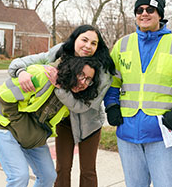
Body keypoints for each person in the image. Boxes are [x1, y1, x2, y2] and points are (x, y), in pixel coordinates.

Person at [104, 0, 172, 187]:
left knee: (168, 184)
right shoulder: (122, 45)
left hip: (162, 133)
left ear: (160, 14)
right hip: (127, 133)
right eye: (139, 10)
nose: (144, 13)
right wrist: (111, 106)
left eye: (150, 9)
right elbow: (111, 82)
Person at [8, 25, 115, 187]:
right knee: (62, 168)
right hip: (64, 123)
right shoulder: (60, 52)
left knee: (88, 171)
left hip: (90, 125)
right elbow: (25, 61)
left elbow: (82, 107)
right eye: (84, 40)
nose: (88, 46)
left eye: (94, 43)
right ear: (75, 40)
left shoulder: (103, 71)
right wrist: (21, 72)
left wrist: (59, 88)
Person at [0, 56, 101, 187]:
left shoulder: (70, 98)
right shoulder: (41, 75)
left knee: (48, 176)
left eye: (88, 80)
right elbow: (3, 97)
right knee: (19, 177)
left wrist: (31, 133)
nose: (83, 82)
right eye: (81, 75)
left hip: (29, 133)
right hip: (1, 124)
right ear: (73, 70)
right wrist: (21, 126)